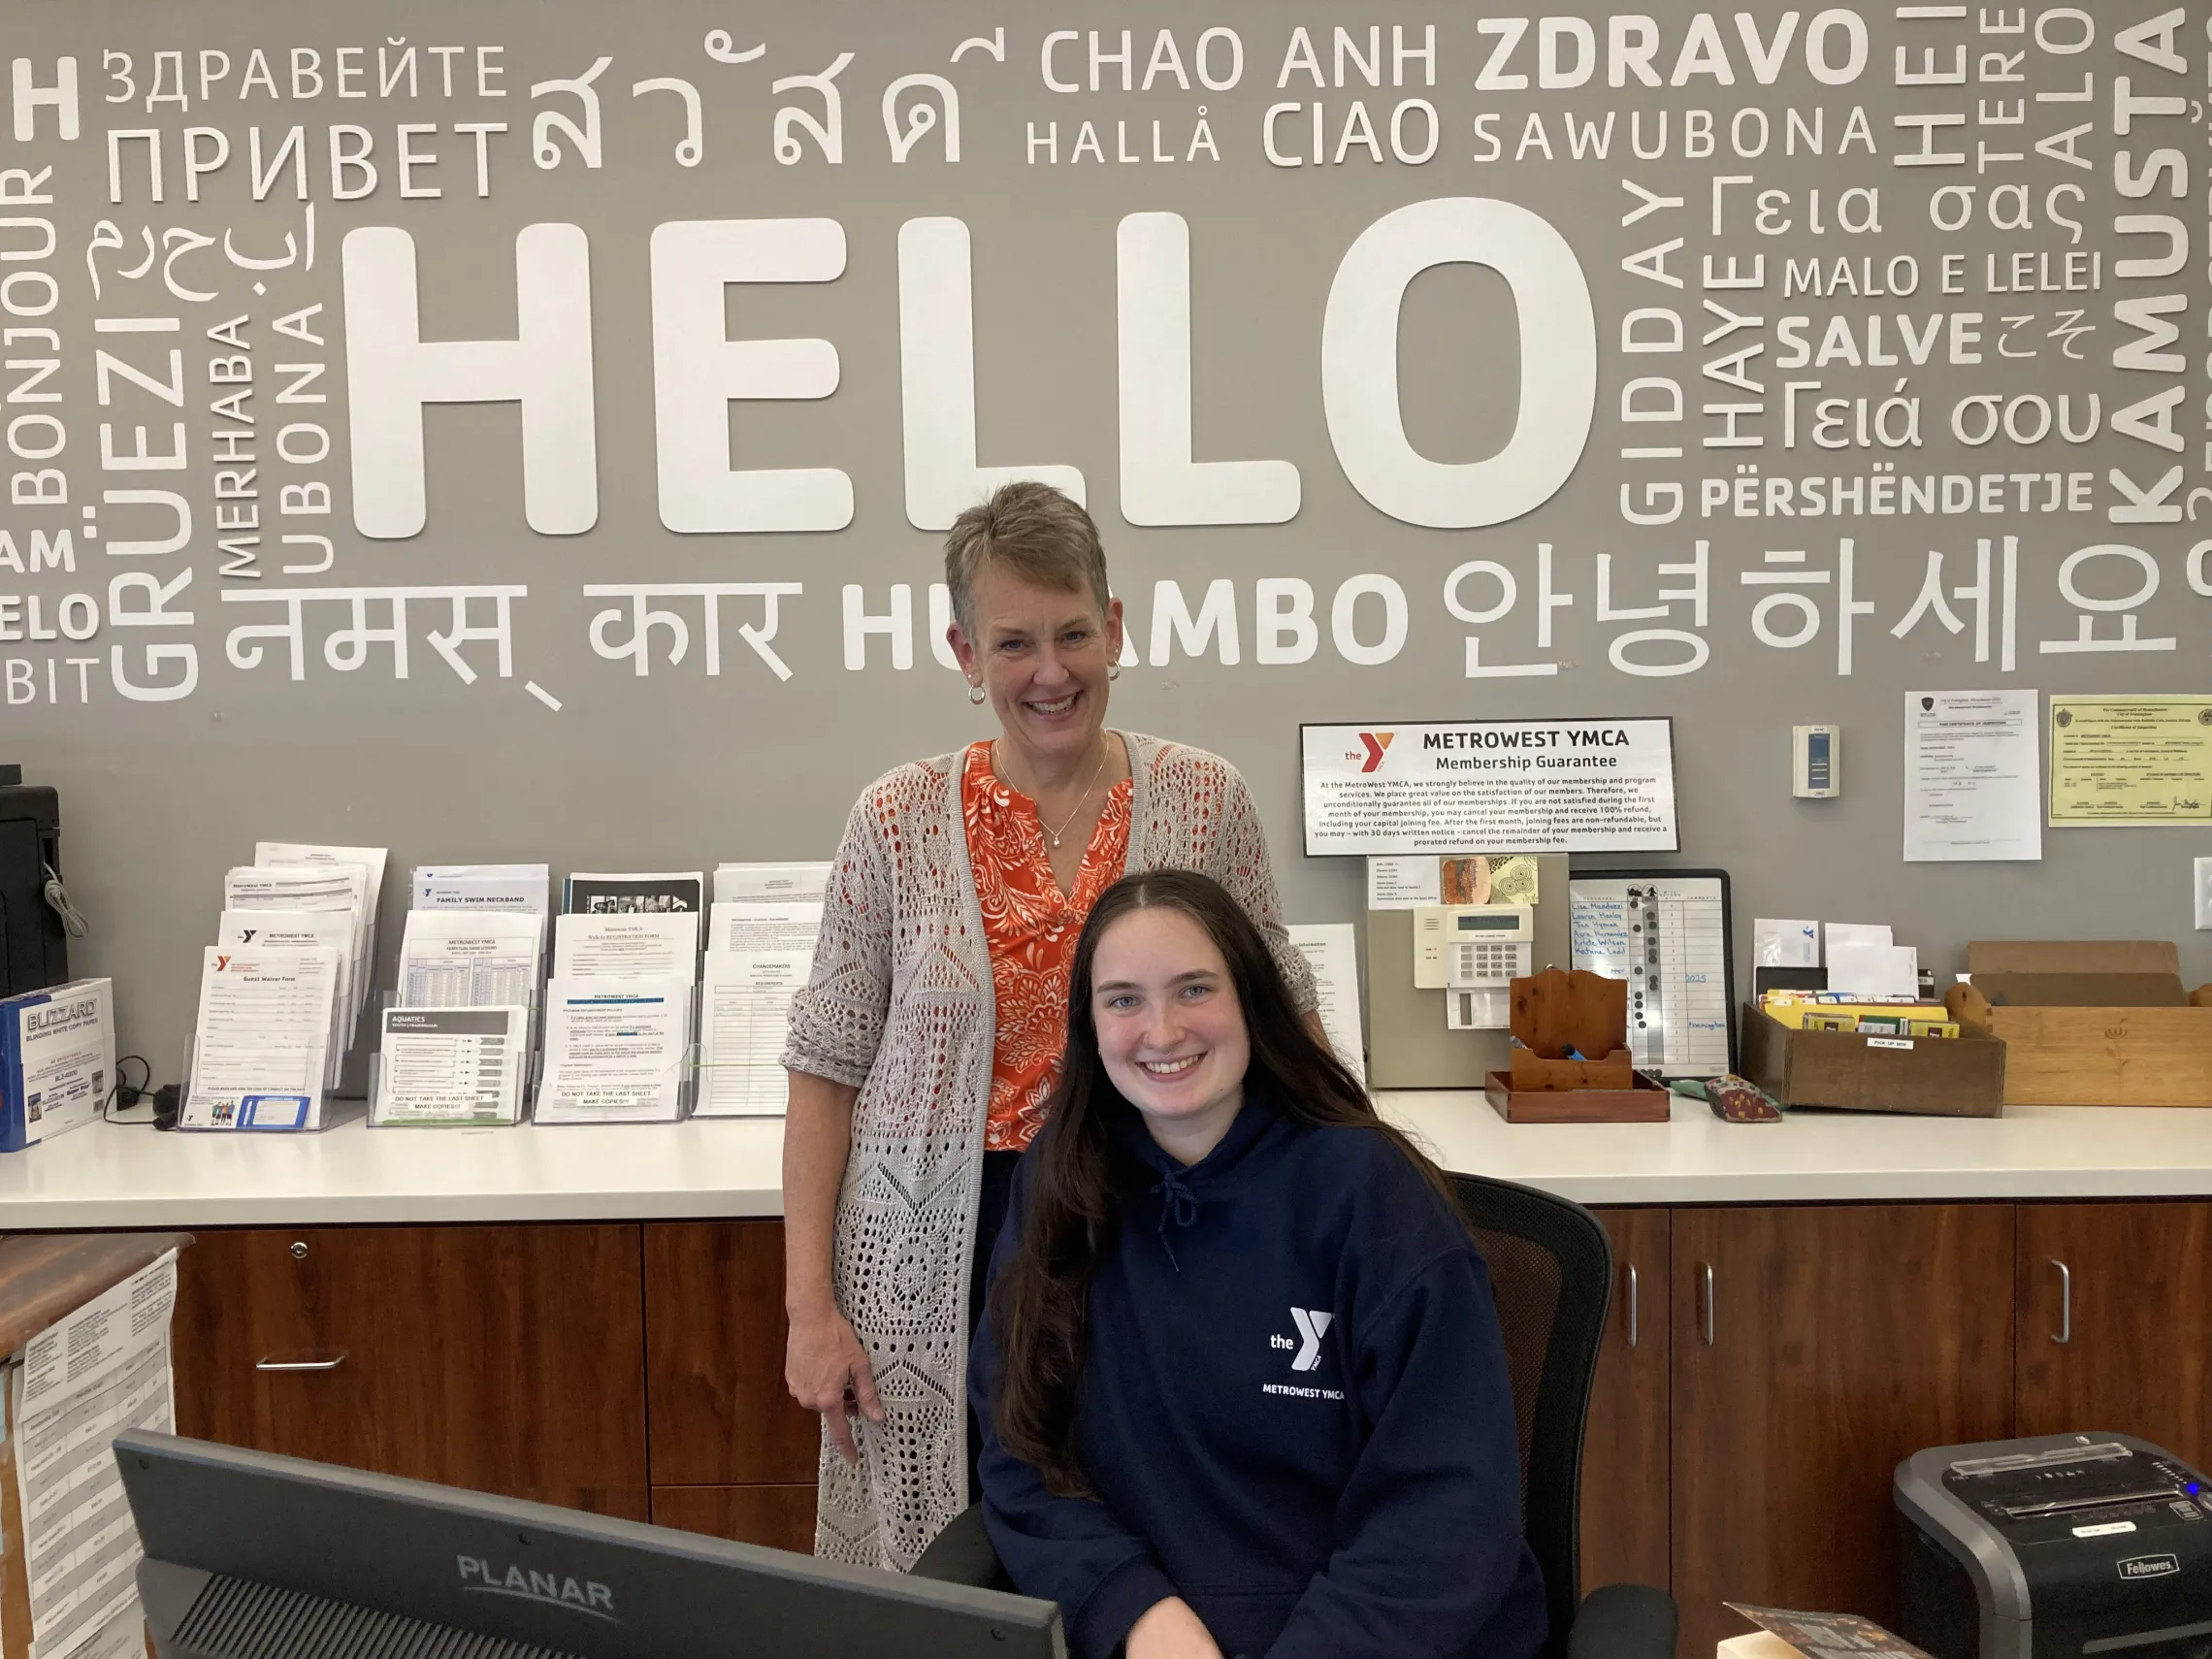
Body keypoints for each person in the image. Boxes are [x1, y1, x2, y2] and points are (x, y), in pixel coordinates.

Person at [781, 482, 1317, 1571]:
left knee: (1145, 1524)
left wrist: (1337, 1219)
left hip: (1151, 1224)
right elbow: (826, 1070)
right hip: (934, 1254)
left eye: (1074, 633)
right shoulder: (893, 819)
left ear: (1114, 630)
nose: (1049, 671)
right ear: (965, 653)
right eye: (1013, 642)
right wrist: (810, 1311)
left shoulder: (1205, 800)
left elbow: (1284, 1025)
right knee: (947, 1557)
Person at [971, 869, 1546, 1659]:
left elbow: (1446, 1512)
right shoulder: (1058, 1188)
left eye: (1195, 988)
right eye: (1124, 999)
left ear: (1252, 999)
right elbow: (1022, 1453)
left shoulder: (1371, 1197)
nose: (1163, 1031)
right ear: (1090, 1024)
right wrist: (1135, 1613)